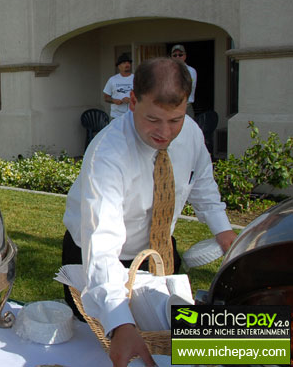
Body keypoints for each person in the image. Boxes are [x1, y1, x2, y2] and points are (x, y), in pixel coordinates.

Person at [62, 57, 237, 367]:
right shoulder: (107, 152)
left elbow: (203, 186)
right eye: (153, 119)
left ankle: (266, 343)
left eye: (176, 119)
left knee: (188, 340)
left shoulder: (192, 133)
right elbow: (101, 242)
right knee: (109, 348)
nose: (166, 132)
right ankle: (262, 343)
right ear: (132, 101)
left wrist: (227, 237)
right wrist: (120, 323)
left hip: (159, 252)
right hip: (99, 258)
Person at [103, 53, 134, 119]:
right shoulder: (112, 79)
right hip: (116, 116)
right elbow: (106, 97)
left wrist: (131, 99)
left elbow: (143, 96)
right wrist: (114, 100)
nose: (127, 64)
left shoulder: (136, 79)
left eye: (128, 63)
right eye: (124, 63)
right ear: (119, 66)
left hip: (133, 116)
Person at [170, 44, 197, 117]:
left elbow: (187, 88)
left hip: (186, 107)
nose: (177, 57)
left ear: (185, 56)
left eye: (180, 55)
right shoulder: (168, 71)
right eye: (175, 55)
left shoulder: (191, 71)